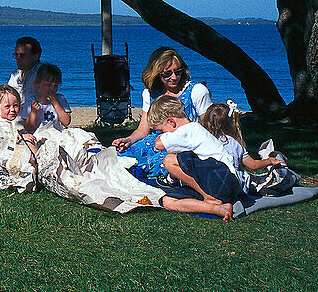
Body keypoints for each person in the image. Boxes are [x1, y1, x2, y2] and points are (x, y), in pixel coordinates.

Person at [112, 47, 212, 178]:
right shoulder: (149, 94)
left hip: (183, 146)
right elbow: (143, 129)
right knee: (121, 159)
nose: (174, 77)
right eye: (167, 74)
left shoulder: (197, 91)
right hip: (154, 144)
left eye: (178, 72)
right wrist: (128, 140)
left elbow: (210, 129)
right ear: (156, 73)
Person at [147, 96, 238, 220]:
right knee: (168, 201)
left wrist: (161, 137)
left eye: (162, 131)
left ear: (171, 122)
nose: (162, 134)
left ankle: (207, 197)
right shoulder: (196, 129)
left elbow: (159, 144)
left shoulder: (188, 130)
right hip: (225, 186)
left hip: (222, 176)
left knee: (169, 160)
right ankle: (217, 208)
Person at [200, 101, 283, 190]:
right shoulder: (233, 143)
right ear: (230, 122)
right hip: (232, 186)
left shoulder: (202, 139)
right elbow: (253, 165)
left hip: (207, 184)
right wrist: (270, 161)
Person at [22, 62, 71, 132]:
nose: (52, 89)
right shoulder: (31, 101)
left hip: (57, 134)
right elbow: (28, 128)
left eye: (55, 86)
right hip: (39, 135)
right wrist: (33, 112)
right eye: (48, 85)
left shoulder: (60, 99)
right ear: (38, 84)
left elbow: (66, 122)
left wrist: (56, 104)